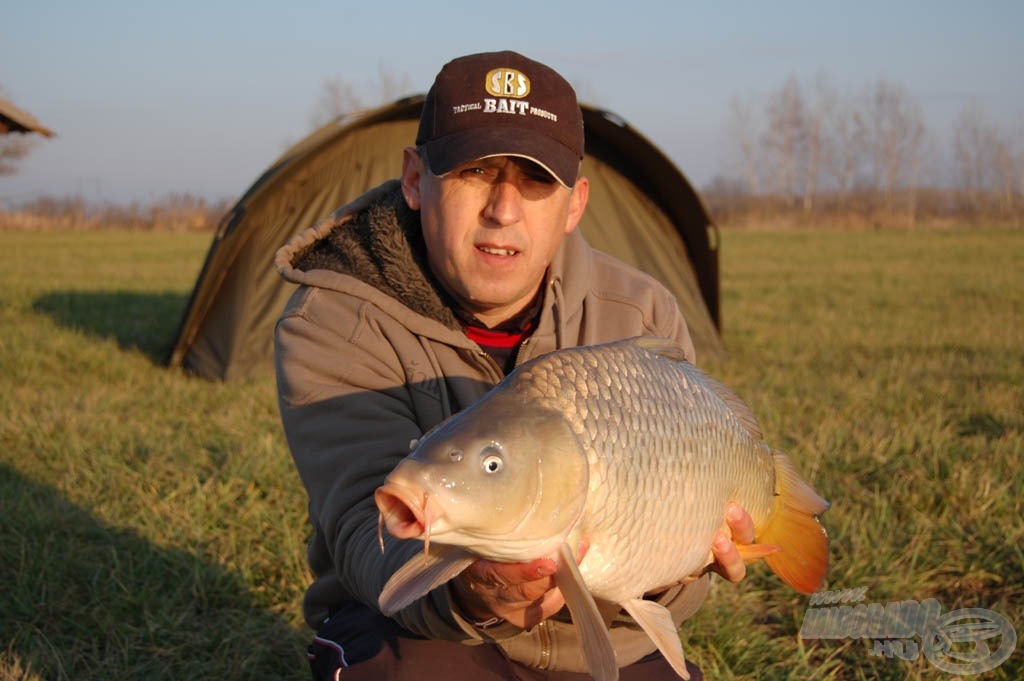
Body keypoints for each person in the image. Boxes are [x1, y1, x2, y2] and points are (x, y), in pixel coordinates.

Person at [274, 50, 754, 681]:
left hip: (605, 639)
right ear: (416, 180)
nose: (503, 210)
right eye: (475, 172)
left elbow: (676, 574)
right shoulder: (333, 318)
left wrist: (683, 556)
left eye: (535, 183)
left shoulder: (641, 315)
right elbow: (368, 534)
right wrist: (481, 589)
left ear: (575, 204)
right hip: (419, 630)